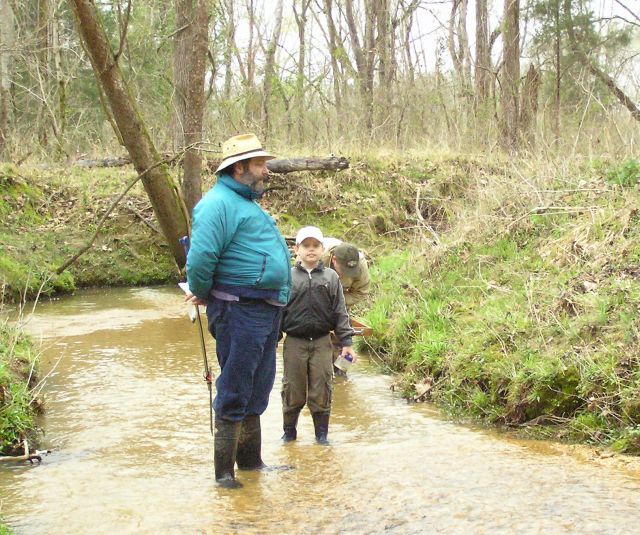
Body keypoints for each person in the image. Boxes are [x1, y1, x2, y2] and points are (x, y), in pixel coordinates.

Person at [185, 133, 292, 489]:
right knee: (234, 389)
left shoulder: (244, 202)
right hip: (239, 310)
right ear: (239, 167)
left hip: (263, 310)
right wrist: (202, 292)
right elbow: (200, 258)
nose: (266, 170)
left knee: (256, 389)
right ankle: (224, 477)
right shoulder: (216, 204)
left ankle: (251, 465)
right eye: (260, 164)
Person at [280, 226, 356, 445]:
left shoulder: (331, 278)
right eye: (306, 246)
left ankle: (321, 436)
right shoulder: (288, 277)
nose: (310, 250)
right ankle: (289, 434)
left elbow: (340, 312)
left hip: (323, 342)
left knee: (322, 387)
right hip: (294, 341)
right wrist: (271, 340)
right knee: (292, 388)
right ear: (296, 249)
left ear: (323, 249)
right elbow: (278, 311)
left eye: (315, 246)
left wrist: (346, 343)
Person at [321, 238, 370, 376]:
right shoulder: (319, 257)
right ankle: (320, 372)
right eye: (343, 270)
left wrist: (339, 302)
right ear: (334, 260)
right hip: (317, 298)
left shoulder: (360, 264)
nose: (345, 274)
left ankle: (342, 375)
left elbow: (361, 292)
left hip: (343, 299)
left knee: (345, 338)